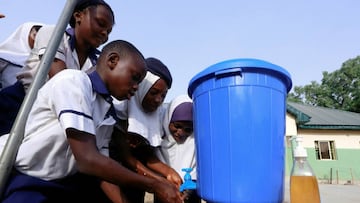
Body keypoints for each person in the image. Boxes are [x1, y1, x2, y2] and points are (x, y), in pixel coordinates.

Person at [0, 40, 182, 203]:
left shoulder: (107, 111)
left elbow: (100, 170)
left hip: (59, 183)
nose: (136, 87)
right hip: (27, 177)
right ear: (113, 60)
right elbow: (88, 159)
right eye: (134, 78)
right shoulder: (74, 82)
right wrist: (155, 185)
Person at [0, 0, 115, 136]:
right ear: (78, 16)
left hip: (51, 121)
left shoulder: (97, 62)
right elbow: (61, 80)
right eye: (101, 24)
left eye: (109, 31)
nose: (104, 34)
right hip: (17, 105)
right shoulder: (53, 34)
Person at [106, 57, 183, 202]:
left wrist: (169, 173)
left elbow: (147, 156)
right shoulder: (119, 111)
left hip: (137, 184)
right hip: (113, 181)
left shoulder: (154, 119)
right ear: (140, 88)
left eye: (163, 95)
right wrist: (160, 182)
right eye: (154, 92)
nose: (158, 100)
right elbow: (127, 158)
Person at [156, 94, 201, 203]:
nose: (181, 133)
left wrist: (189, 189)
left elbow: (197, 171)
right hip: (163, 193)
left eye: (188, 129)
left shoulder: (195, 142)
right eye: (177, 126)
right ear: (168, 120)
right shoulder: (158, 141)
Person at [0, 22, 44, 90]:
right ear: (25, 33)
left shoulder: (43, 60)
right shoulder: (4, 56)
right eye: (37, 31)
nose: (37, 37)